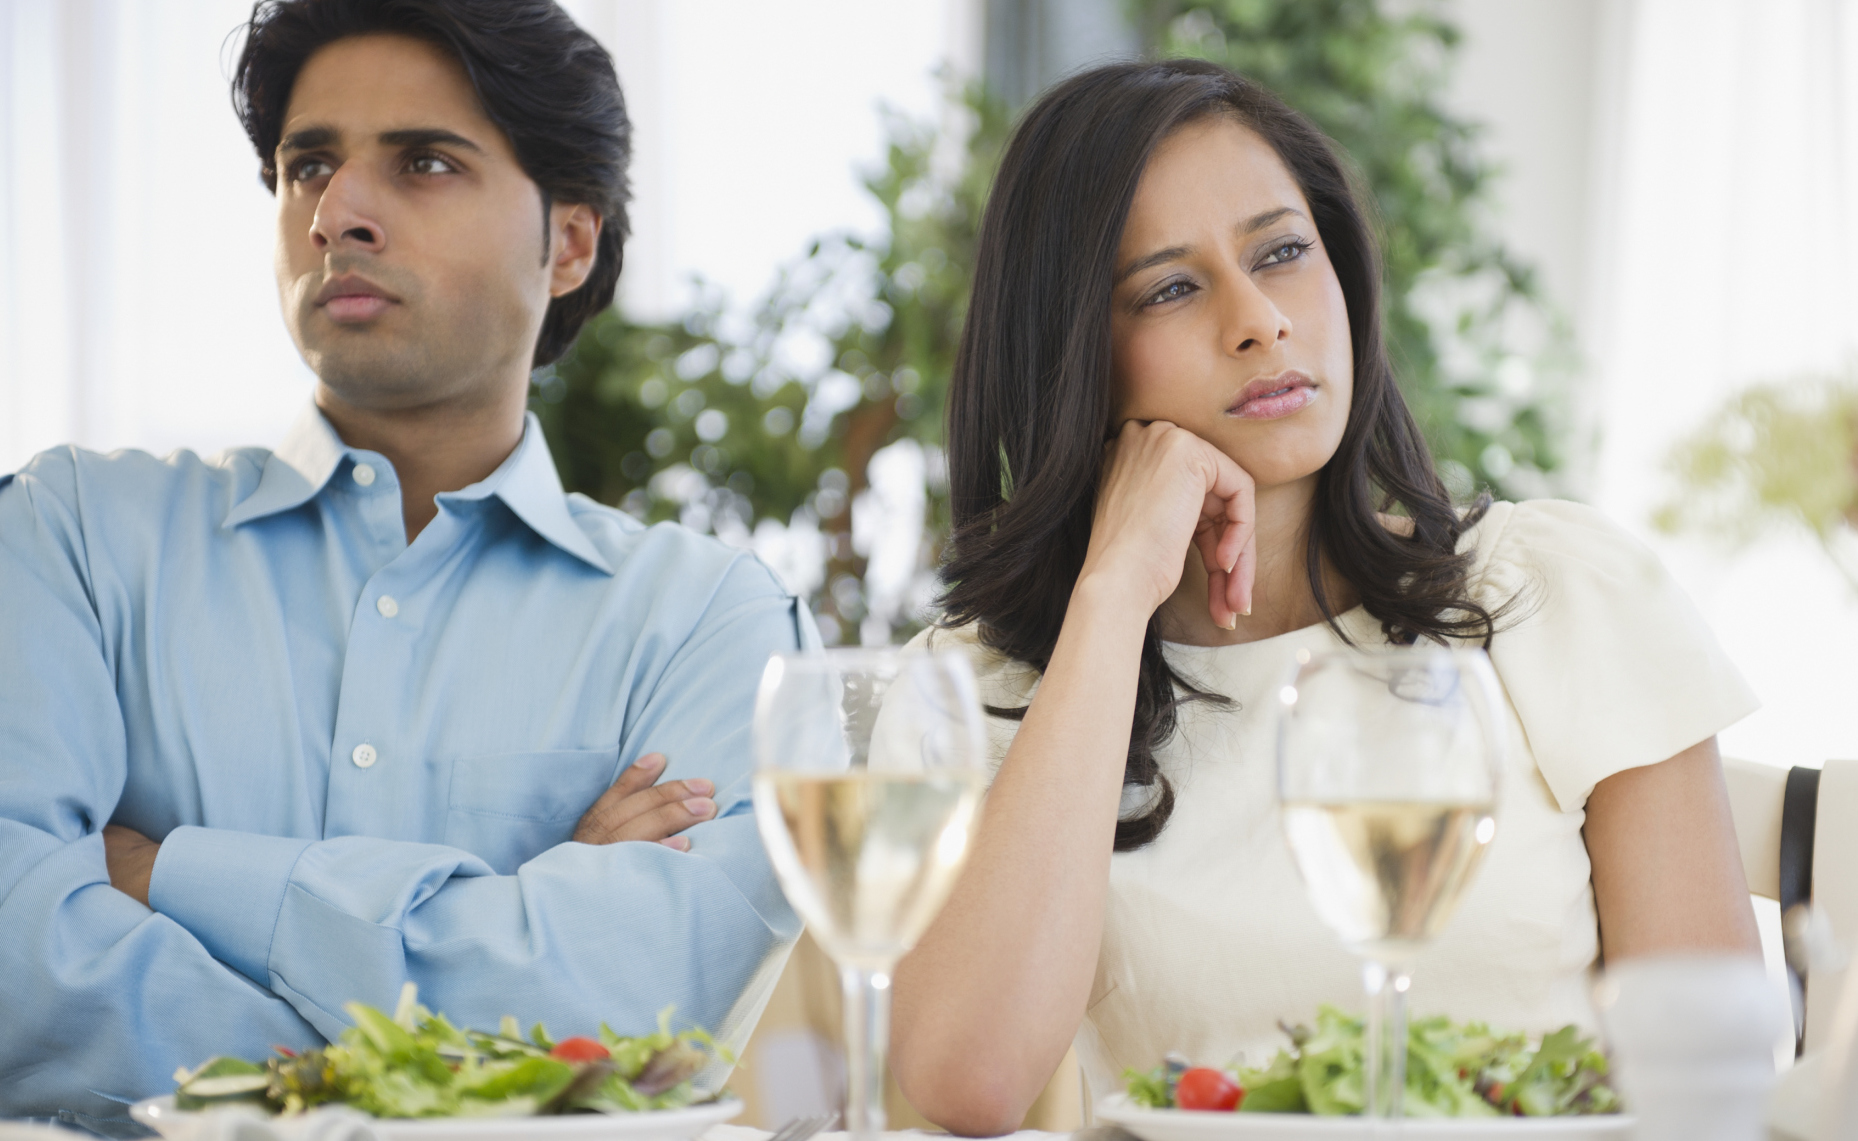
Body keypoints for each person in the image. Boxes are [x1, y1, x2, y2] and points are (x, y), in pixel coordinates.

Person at [887, 58, 1764, 1135]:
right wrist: (1111, 599)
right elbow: (964, 1083)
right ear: (1072, 353)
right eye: (1169, 286)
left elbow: (1712, 1082)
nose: (1259, 319)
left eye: (1282, 252)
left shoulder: (1551, 590)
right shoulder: (976, 685)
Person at [0, 1, 808, 1130]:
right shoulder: (72, 535)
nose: (337, 213)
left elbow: (636, 1006)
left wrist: (164, 869)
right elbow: (15, 962)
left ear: (569, 242)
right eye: (308, 164)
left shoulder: (708, 621)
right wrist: (467, 1036)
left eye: (423, 161)